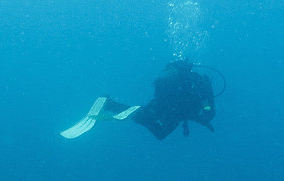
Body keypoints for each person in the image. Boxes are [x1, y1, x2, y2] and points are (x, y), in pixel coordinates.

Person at [62, 60, 217, 140]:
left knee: (155, 125)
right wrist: (206, 115)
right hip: (172, 110)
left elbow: (198, 113)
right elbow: (206, 113)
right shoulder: (199, 84)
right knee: (159, 130)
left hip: (164, 105)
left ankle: (120, 107)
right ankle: (121, 107)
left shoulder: (184, 81)